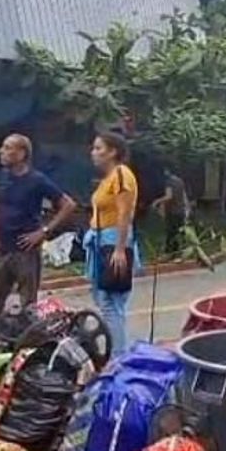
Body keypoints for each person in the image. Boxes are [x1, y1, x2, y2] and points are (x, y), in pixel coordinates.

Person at [0, 134, 77, 327]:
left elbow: (68, 205)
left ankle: (27, 345)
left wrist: (44, 231)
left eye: (7, 147)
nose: (1, 151)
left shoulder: (37, 180)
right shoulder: (3, 176)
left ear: (21, 153)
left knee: (28, 305)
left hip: (26, 251)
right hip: (3, 249)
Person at [86, 132, 140, 355]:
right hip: (100, 240)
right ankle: (115, 352)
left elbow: (124, 213)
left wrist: (120, 248)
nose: (94, 153)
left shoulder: (121, 175)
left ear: (113, 152)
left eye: (99, 149)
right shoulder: (108, 179)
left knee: (111, 303)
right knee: (103, 299)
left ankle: (117, 356)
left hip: (113, 240)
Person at [152, 167, 190, 258]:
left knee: (170, 233)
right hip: (180, 211)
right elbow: (184, 196)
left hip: (172, 211)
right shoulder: (180, 181)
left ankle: (168, 253)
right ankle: (178, 253)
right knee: (178, 233)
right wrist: (187, 209)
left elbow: (169, 196)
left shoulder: (168, 182)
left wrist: (157, 201)